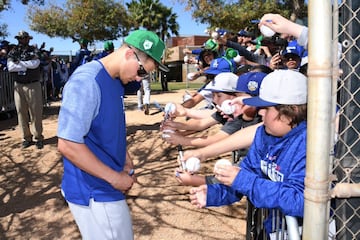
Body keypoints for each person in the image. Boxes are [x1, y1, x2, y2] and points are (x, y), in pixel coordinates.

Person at [57, 30, 168, 240]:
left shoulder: (114, 80)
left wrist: (125, 158)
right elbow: (67, 144)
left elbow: (106, 127)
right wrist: (115, 178)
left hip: (104, 185)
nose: (139, 78)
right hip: (94, 190)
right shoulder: (87, 81)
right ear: (129, 54)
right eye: (142, 71)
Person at [189, 69, 308, 237]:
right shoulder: (264, 135)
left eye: (266, 108)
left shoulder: (308, 143)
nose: (260, 113)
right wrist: (214, 193)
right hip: (276, 229)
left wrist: (246, 181)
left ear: (292, 111)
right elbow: (246, 174)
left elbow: (300, 200)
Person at [165, 71, 266, 187]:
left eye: (219, 96)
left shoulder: (261, 126)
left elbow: (219, 139)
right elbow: (203, 122)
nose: (215, 100)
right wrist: (181, 128)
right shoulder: (241, 115)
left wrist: (200, 180)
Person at [7, 30, 44, 149]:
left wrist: (20, 64)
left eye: (24, 38)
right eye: (20, 38)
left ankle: (38, 137)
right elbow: (11, 67)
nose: (22, 40)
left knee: (36, 112)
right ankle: (26, 138)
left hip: (33, 84)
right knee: (21, 112)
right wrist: (26, 64)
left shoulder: (34, 50)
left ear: (28, 39)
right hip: (18, 85)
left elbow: (35, 63)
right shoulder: (13, 51)